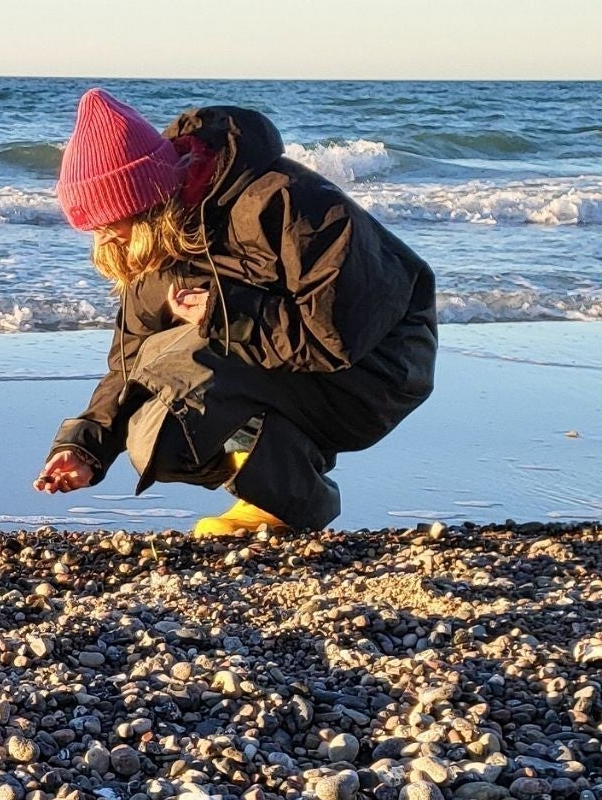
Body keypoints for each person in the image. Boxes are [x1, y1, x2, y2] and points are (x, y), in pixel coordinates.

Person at [33, 89, 437, 534]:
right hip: (286, 361)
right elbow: (131, 360)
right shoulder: (156, 249)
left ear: (145, 203)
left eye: (111, 228)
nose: (105, 243)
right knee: (154, 433)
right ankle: (284, 488)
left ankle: (288, 502)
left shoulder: (287, 203)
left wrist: (226, 315)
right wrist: (85, 446)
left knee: (186, 367)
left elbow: (335, 335)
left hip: (380, 367)